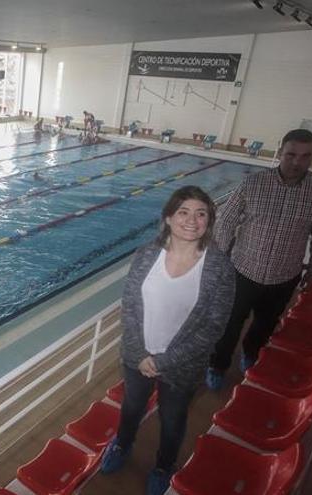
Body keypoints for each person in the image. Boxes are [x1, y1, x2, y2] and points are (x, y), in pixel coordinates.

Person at [100, 186, 236, 495]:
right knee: (131, 407)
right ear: (169, 218)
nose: (192, 220)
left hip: (182, 366)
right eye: (184, 212)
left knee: (173, 419)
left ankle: (163, 465)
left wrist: (162, 362)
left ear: (209, 221)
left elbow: (213, 328)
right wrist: (139, 354)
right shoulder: (147, 254)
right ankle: (122, 444)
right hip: (137, 357)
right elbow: (130, 305)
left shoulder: (220, 269)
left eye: (201, 213)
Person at [206, 129, 312, 390]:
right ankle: (217, 364)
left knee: (266, 323)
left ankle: (251, 353)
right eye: (291, 155)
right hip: (242, 271)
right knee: (229, 324)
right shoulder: (253, 183)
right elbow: (226, 219)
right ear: (280, 152)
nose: (297, 162)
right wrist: (219, 258)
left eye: (305, 156)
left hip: (284, 275)